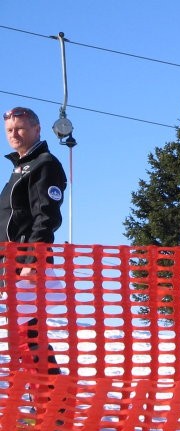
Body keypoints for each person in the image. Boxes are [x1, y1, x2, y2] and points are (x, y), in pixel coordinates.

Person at [2, 107, 67, 377]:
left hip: (25, 264)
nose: (14, 134)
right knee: (20, 336)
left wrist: (32, 261)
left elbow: (46, 217)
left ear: (36, 130)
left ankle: (56, 407)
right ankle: (41, 403)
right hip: (9, 264)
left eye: (20, 128)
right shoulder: (20, 167)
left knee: (27, 335)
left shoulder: (44, 165)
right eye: (9, 130)